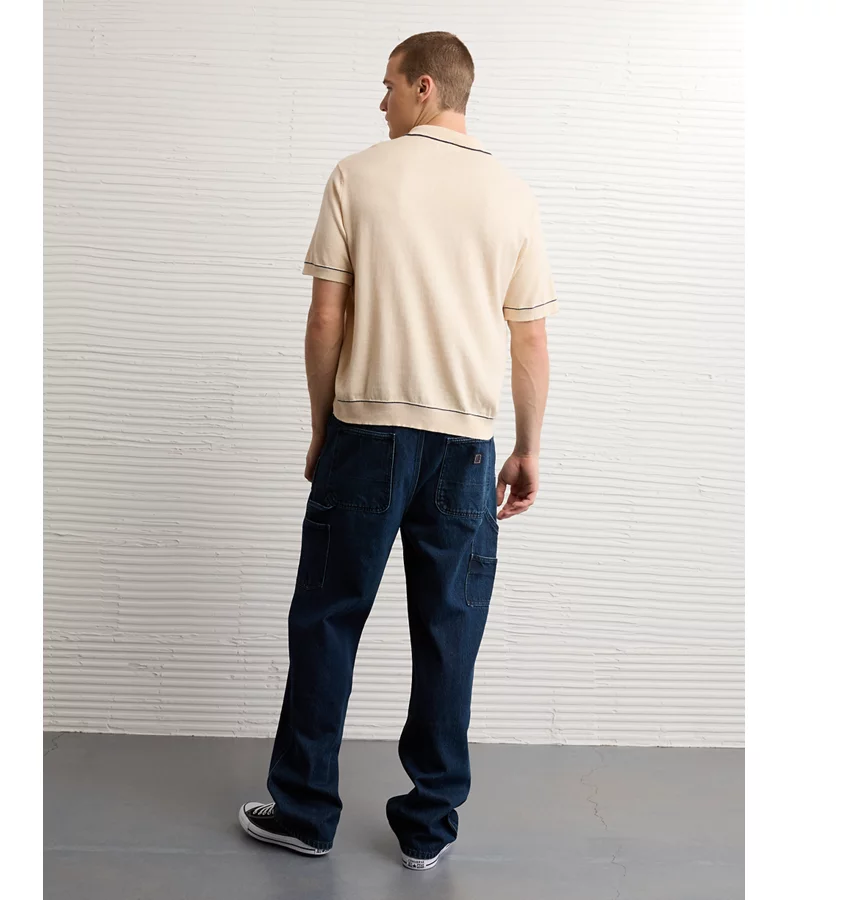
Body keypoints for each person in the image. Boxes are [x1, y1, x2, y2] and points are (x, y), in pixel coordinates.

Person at [238, 30, 559, 870]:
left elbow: (325, 319)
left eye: (387, 85)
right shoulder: (513, 195)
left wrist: (323, 426)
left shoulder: (358, 176)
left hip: (366, 432)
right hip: (465, 448)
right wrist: (527, 447)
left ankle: (305, 811)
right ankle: (427, 828)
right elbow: (529, 340)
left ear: (425, 87)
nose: (379, 101)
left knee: (327, 620)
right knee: (450, 633)